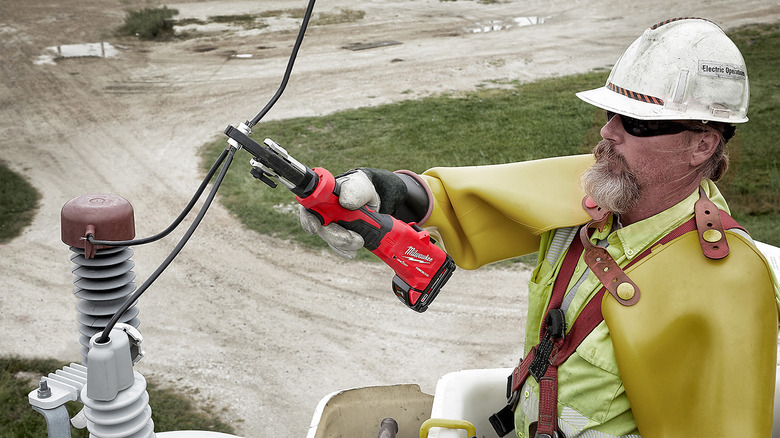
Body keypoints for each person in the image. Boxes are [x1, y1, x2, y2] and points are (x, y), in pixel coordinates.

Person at [300, 17, 780, 437]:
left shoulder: (729, 282)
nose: (607, 132)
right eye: (609, 113)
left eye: (635, 122)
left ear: (700, 145)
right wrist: (382, 191)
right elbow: (467, 202)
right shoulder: (595, 190)